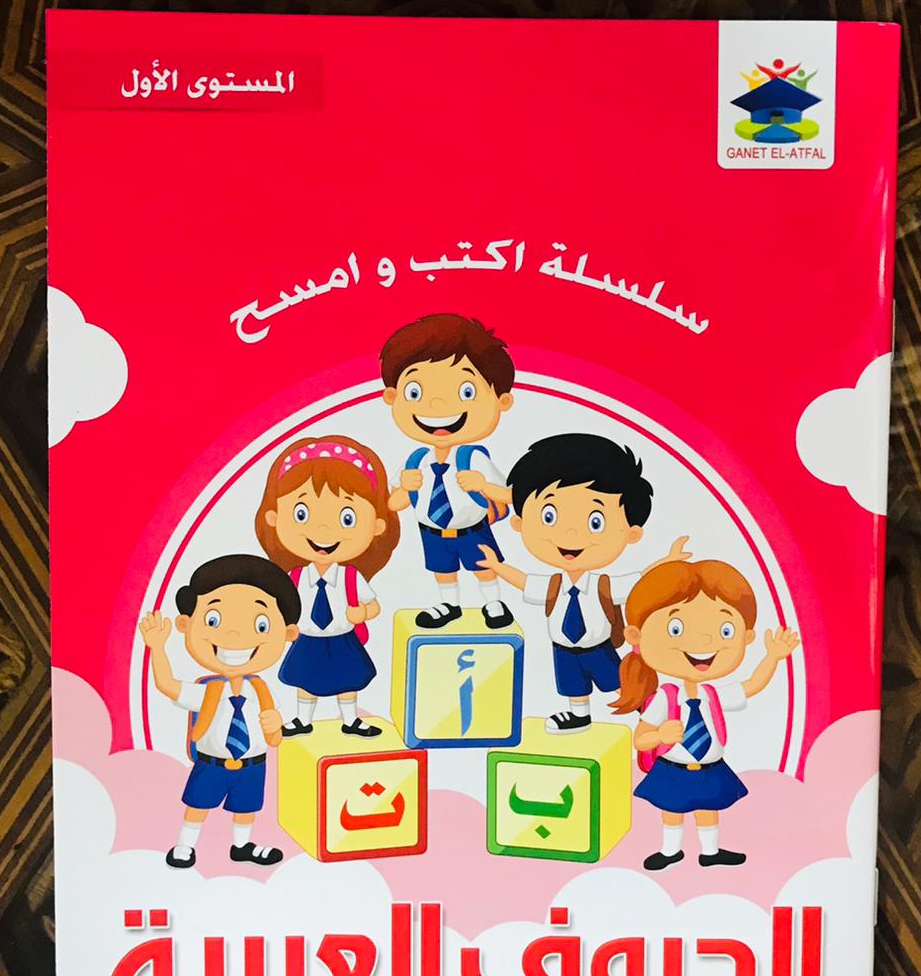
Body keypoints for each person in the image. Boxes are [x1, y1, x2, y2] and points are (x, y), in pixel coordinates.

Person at [477, 432, 688, 733]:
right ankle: (579, 714)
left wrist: (668, 561)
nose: (571, 535)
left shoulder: (603, 585)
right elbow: (525, 582)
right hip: (563, 648)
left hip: (597, 647)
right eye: (549, 516)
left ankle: (645, 710)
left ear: (631, 533)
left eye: (595, 522)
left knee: (615, 681)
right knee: (572, 685)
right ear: (520, 523)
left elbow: (641, 579)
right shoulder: (554, 585)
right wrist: (498, 567)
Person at [612, 559, 800, 870]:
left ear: (745, 637)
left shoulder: (713, 694)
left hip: (710, 766)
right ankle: (670, 851)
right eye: (676, 628)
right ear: (637, 635)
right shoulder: (664, 697)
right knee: (672, 811)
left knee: (708, 809)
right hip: (674, 767)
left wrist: (773, 657)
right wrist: (659, 734)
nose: (703, 642)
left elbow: (752, 685)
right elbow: (640, 739)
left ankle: (710, 852)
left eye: (725, 630)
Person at [139, 554, 300, 869]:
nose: (235, 637)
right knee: (198, 804)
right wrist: (157, 647)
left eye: (261, 625)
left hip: (253, 763)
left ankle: (242, 846)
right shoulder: (207, 690)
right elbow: (168, 685)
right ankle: (185, 846)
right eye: (213, 620)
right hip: (212, 763)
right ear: (186, 624)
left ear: (287, 633)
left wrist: (275, 724)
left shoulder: (261, 690)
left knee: (246, 808)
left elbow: (274, 734)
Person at [254, 435, 400, 737]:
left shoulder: (350, 577)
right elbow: (283, 608)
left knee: (348, 681)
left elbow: (373, 605)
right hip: (307, 638)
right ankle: (302, 719)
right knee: (305, 681)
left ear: (376, 525)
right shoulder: (295, 577)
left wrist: (364, 612)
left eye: (347, 517)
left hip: (342, 638)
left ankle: (351, 720)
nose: (322, 529)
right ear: (275, 518)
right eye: (302, 514)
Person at [381, 313, 516, 630]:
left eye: (466, 391)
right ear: (393, 398)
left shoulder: (473, 457)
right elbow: (393, 504)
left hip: (472, 528)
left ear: (501, 400)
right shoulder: (416, 460)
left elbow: (510, 495)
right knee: (442, 570)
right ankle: (448, 604)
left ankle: (493, 602)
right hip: (432, 531)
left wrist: (482, 485)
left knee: (483, 565)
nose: (438, 405)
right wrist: (405, 488)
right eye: (415, 393)